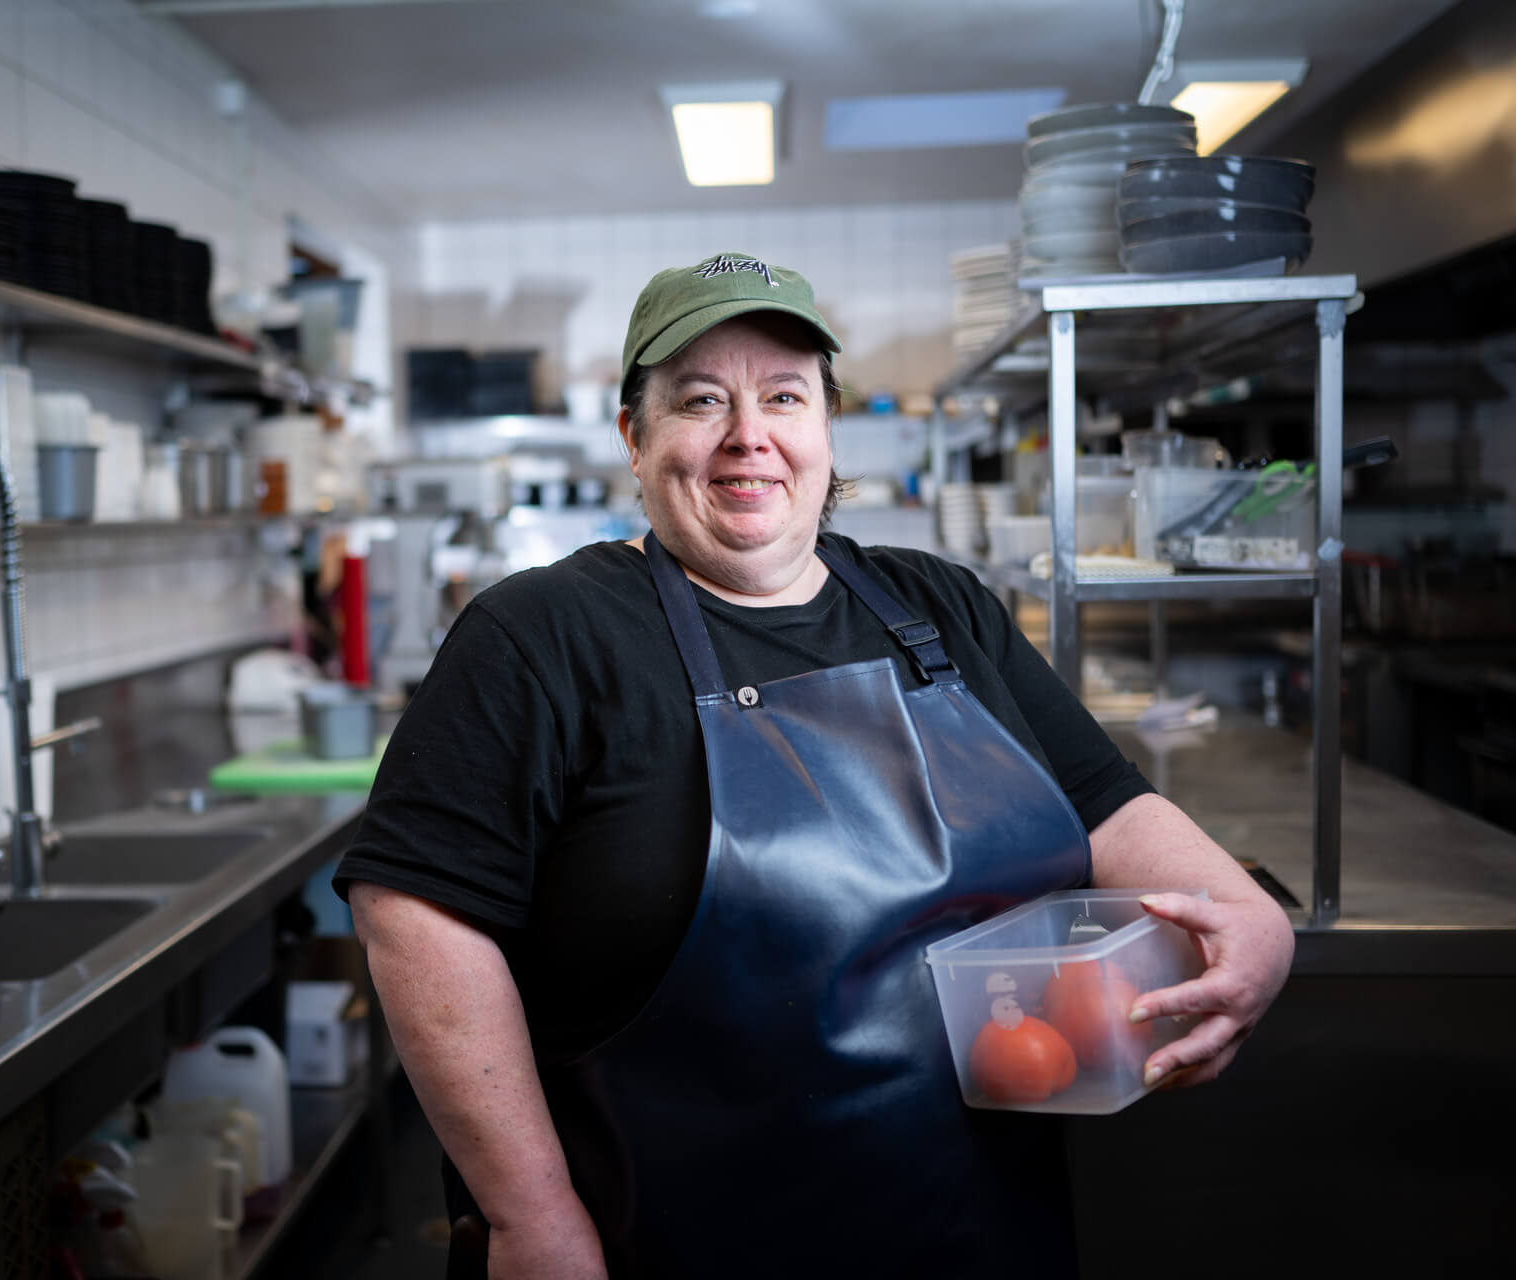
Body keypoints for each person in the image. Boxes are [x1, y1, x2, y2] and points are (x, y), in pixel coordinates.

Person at [336, 252, 1295, 1278]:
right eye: (702, 400)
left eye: (784, 396)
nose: (749, 435)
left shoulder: (942, 606)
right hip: (668, 1236)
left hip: (975, 1223)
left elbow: (1105, 809)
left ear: (826, 426)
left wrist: (1249, 915)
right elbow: (416, 910)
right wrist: (532, 1215)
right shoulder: (542, 634)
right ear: (634, 435)